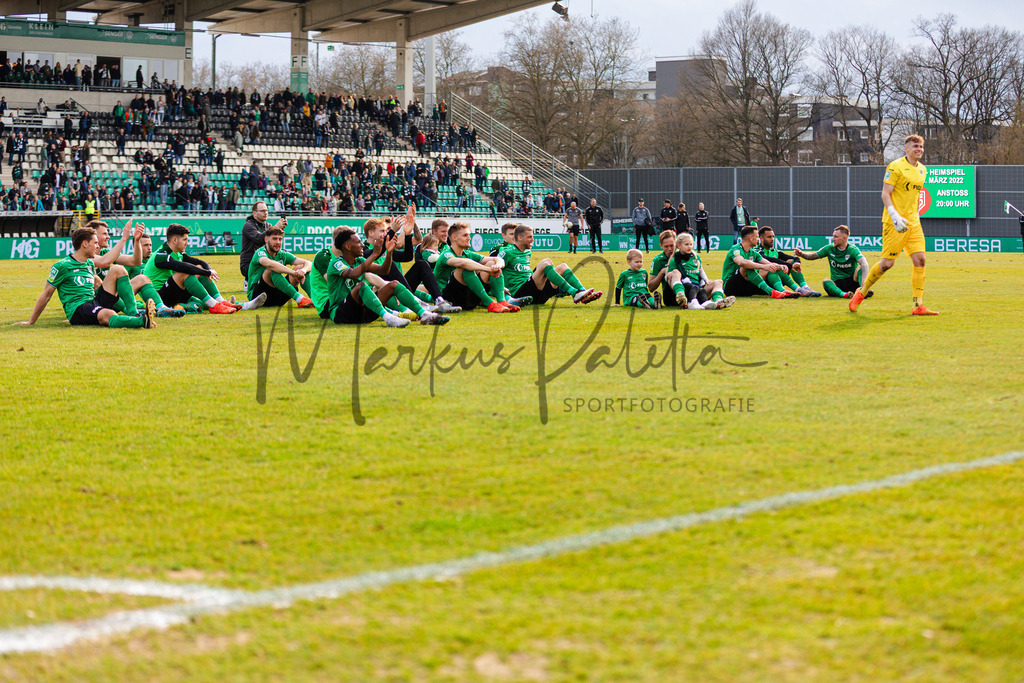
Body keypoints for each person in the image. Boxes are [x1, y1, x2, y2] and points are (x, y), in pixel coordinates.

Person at [850, 134, 936, 315]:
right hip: (894, 222)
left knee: (920, 260)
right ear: (907, 148)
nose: (919, 149)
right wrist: (895, 215)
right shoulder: (895, 166)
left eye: (921, 146)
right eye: (915, 146)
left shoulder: (923, 170)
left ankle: (917, 305)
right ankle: (862, 292)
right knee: (887, 264)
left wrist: (910, 216)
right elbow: (885, 194)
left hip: (913, 222)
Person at [15, 226, 155, 329]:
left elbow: (98, 284)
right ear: (84, 244)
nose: (97, 246)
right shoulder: (62, 266)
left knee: (118, 269)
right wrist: (31, 321)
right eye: (94, 243)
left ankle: (134, 314)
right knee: (107, 314)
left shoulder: (89, 263)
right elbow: (46, 294)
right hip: (78, 309)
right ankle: (141, 321)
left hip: (93, 302)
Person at [325, 228, 448, 326]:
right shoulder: (336, 263)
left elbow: (383, 270)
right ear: (348, 247)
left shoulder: (360, 260)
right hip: (341, 314)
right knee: (361, 286)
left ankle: (424, 314)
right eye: (358, 242)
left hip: (362, 312)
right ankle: (389, 318)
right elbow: (353, 274)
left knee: (394, 284)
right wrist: (374, 254)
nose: (362, 245)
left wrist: (389, 253)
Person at [91, 219, 184, 318]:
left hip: (112, 299)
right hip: (98, 305)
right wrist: (124, 238)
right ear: (94, 236)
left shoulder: (105, 252)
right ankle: (132, 311)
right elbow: (104, 261)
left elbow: (135, 262)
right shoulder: (86, 255)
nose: (108, 236)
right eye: (105, 234)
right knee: (107, 274)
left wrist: (136, 241)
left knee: (142, 278)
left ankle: (161, 308)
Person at [142, 223, 238, 314]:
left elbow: (199, 262)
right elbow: (184, 267)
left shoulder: (178, 252)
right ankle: (214, 305)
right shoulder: (161, 255)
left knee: (199, 270)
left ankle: (221, 301)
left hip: (173, 293)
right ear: (175, 240)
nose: (187, 243)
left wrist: (209, 270)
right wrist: (206, 272)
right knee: (184, 273)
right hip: (160, 299)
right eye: (185, 239)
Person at [500, 224, 600, 306]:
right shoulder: (507, 252)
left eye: (532, 236)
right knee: (544, 264)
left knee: (562, 266)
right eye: (529, 237)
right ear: (519, 237)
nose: (533, 239)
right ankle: (574, 293)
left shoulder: (527, 252)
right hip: (520, 294)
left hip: (536, 294)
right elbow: (494, 271)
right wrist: (501, 290)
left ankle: (583, 292)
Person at [433, 222, 516, 312]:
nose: (469, 238)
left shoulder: (467, 253)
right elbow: (463, 263)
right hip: (448, 300)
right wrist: (488, 270)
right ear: (454, 238)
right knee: (465, 267)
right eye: (465, 235)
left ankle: (501, 301)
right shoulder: (446, 254)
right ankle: (490, 303)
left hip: (467, 298)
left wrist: (497, 266)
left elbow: (497, 259)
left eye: (469, 235)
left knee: (491, 263)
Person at [795, 225, 872, 299]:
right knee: (825, 281)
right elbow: (812, 256)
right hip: (837, 284)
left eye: (836, 236)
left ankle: (864, 290)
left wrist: (864, 281)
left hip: (852, 281)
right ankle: (844, 295)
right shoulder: (829, 248)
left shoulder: (852, 249)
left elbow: (864, 262)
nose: (832, 239)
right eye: (833, 236)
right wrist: (802, 254)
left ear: (844, 238)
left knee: (860, 268)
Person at [722, 226, 799, 299]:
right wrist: (763, 267)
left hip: (745, 288)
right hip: (730, 288)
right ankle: (772, 292)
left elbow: (768, 264)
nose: (758, 239)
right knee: (747, 266)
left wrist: (780, 266)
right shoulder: (736, 249)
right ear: (751, 238)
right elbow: (741, 262)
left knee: (770, 268)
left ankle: (782, 290)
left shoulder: (753, 252)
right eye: (757, 237)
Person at [247, 226, 314, 308]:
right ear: (266, 239)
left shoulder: (282, 254)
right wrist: (293, 273)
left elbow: (308, 263)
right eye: (274, 239)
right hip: (257, 297)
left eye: (280, 239)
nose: (278, 242)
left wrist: (302, 271)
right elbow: (269, 264)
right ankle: (300, 299)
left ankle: (315, 299)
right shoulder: (260, 253)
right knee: (273, 270)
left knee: (300, 267)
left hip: (277, 297)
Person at [665, 232, 734, 310]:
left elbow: (700, 269)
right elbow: (670, 277)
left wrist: (706, 280)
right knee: (677, 274)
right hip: (686, 288)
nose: (689, 247)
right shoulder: (675, 259)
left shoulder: (695, 256)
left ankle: (718, 301)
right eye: (686, 244)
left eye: (691, 244)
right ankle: (681, 295)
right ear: (679, 246)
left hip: (699, 288)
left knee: (719, 282)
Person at [754, 226, 821, 296]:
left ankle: (805, 287)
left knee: (790, 262)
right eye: (769, 237)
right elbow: (767, 259)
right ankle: (797, 290)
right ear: (761, 238)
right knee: (774, 267)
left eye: (773, 236)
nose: (772, 239)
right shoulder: (757, 251)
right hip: (762, 285)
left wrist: (796, 263)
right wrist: (785, 265)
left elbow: (794, 258)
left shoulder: (775, 251)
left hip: (775, 282)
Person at [240, 201, 286, 283]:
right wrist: (275, 227)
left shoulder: (268, 225)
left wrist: (280, 229)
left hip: (264, 261)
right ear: (254, 213)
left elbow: (272, 243)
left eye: (266, 210)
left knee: (282, 255)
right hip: (249, 264)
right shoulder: (248, 225)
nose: (265, 213)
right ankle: (249, 280)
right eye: (262, 211)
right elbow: (259, 239)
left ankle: (269, 282)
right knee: (271, 267)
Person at [648, 230, 679, 307]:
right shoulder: (658, 260)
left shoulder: (682, 255)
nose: (669, 249)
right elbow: (651, 288)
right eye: (666, 246)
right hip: (669, 294)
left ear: (677, 244)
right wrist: (662, 272)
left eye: (672, 245)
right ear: (661, 246)